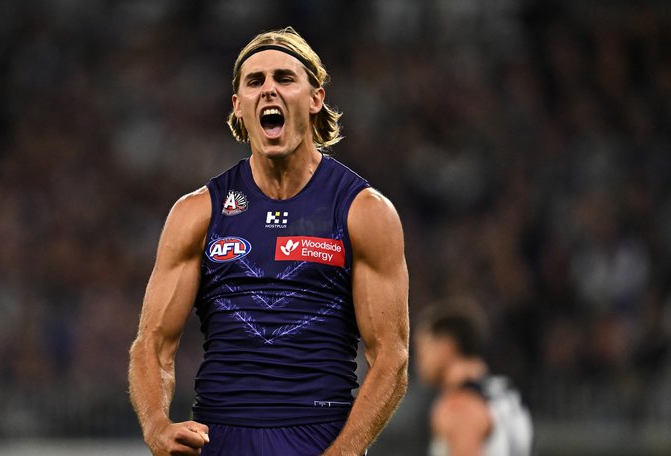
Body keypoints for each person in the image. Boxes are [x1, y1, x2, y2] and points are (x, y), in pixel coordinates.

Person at [128, 26, 409, 456]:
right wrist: (156, 426)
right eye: (255, 81)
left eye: (284, 78)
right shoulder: (198, 212)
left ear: (315, 99)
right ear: (239, 107)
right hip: (219, 440)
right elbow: (151, 344)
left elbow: (392, 357)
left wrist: (346, 451)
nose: (269, 90)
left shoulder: (363, 211)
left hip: (319, 439)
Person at [414, 299, 534, 456]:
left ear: (446, 346)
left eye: (423, 350)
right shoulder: (505, 392)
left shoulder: (459, 406)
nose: (418, 361)